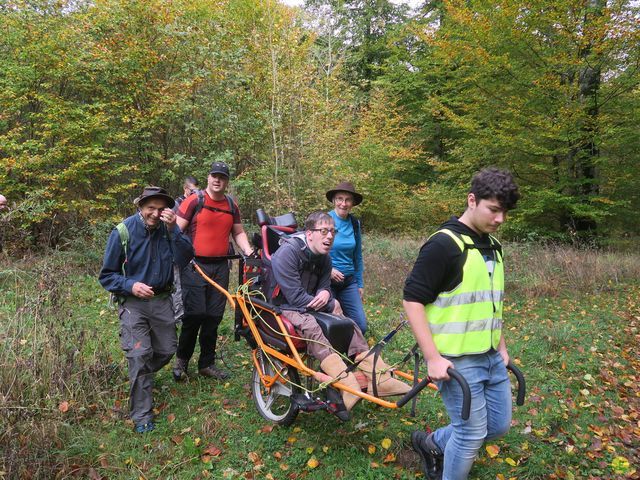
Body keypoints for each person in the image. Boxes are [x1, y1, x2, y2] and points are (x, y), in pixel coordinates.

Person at [403, 167, 520, 480]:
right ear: (472, 200)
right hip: (456, 362)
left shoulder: (493, 247)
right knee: (469, 436)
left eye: (504, 212)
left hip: (491, 356)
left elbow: (491, 304)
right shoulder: (443, 245)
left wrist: (502, 347)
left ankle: (432, 443)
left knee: (497, 426)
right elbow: (412, 300)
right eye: (493, 210)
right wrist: (432, 358)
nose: (500, 219)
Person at [269, 211, 410, 420]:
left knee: (348, 323)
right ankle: (345, 382)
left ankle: (380, 378)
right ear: (309, 234)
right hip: (287, 305)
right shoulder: (288, 253)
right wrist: (323, 301)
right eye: (323, 231)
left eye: (332, 232)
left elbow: (325, 284)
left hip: (310, 302)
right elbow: (295, 297)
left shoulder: (325, 257)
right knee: (312, 327)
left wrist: (326, 293)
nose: (329, 237)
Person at [99, 186, 194, 433]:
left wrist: (174, 229)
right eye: (150, 207)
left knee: (166, 349)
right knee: (140, 355)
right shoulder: (123, 231)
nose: (155, 213)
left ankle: (139, 376)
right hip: (133, 303)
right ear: (140, 207)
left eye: (160, 208)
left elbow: (186, 257)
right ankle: (142, 415)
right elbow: (107, 276)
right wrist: (130, 285)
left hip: (162, 300)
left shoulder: (169, 230)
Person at [173, 161, 254, 381]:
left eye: (222, 177)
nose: (217, 180)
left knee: (214, 316)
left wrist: (248, 251)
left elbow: (238, 233)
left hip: (221, 266)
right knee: (194, 314)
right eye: (214, 176)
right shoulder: (194, 201)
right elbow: (175, 231)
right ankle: (182, 360)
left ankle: (206, 363)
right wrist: (180, 259)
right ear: (208, 177)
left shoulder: (231, 205)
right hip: (195, 265)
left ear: (226, 181)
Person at [325, 181, 368, 334]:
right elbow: (312, 252)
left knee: (361, 326)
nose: (343, 203)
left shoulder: (354, 223)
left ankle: (352, 354)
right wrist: (329, 270)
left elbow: (357, 256)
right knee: (333, 325)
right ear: (334, 201)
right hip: (326, 281)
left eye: (348, 199)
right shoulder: (324, 221)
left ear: (353, 203)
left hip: (349, 282)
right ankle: (332, 356)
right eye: (339, 199)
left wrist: (360, 284)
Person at [171, 176, 200, 323]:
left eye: (197, 190)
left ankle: (189, 312)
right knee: (177, 285)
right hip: (179, 252)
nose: (195, 193)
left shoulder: (199, 204)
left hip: (193, 252)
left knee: (191, 285)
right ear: (185, 189)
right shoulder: (176, 205)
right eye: (192, 190)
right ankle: (178, 316)